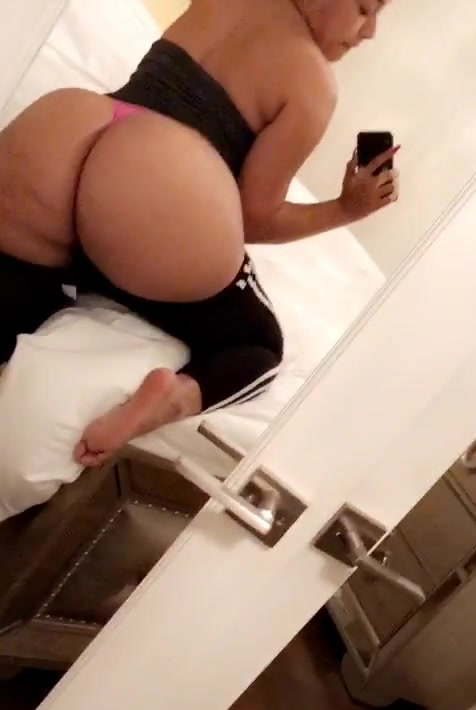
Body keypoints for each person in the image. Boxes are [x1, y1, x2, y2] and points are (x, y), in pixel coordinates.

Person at [0, 0, 398, 467]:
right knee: (257, 342)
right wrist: (346, 209)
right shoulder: (313, 84)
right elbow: (254, 218)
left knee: (18, 284)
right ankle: (170, 398)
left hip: (72, 126)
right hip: (157, 185)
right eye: (365, 7)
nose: (370, 31)